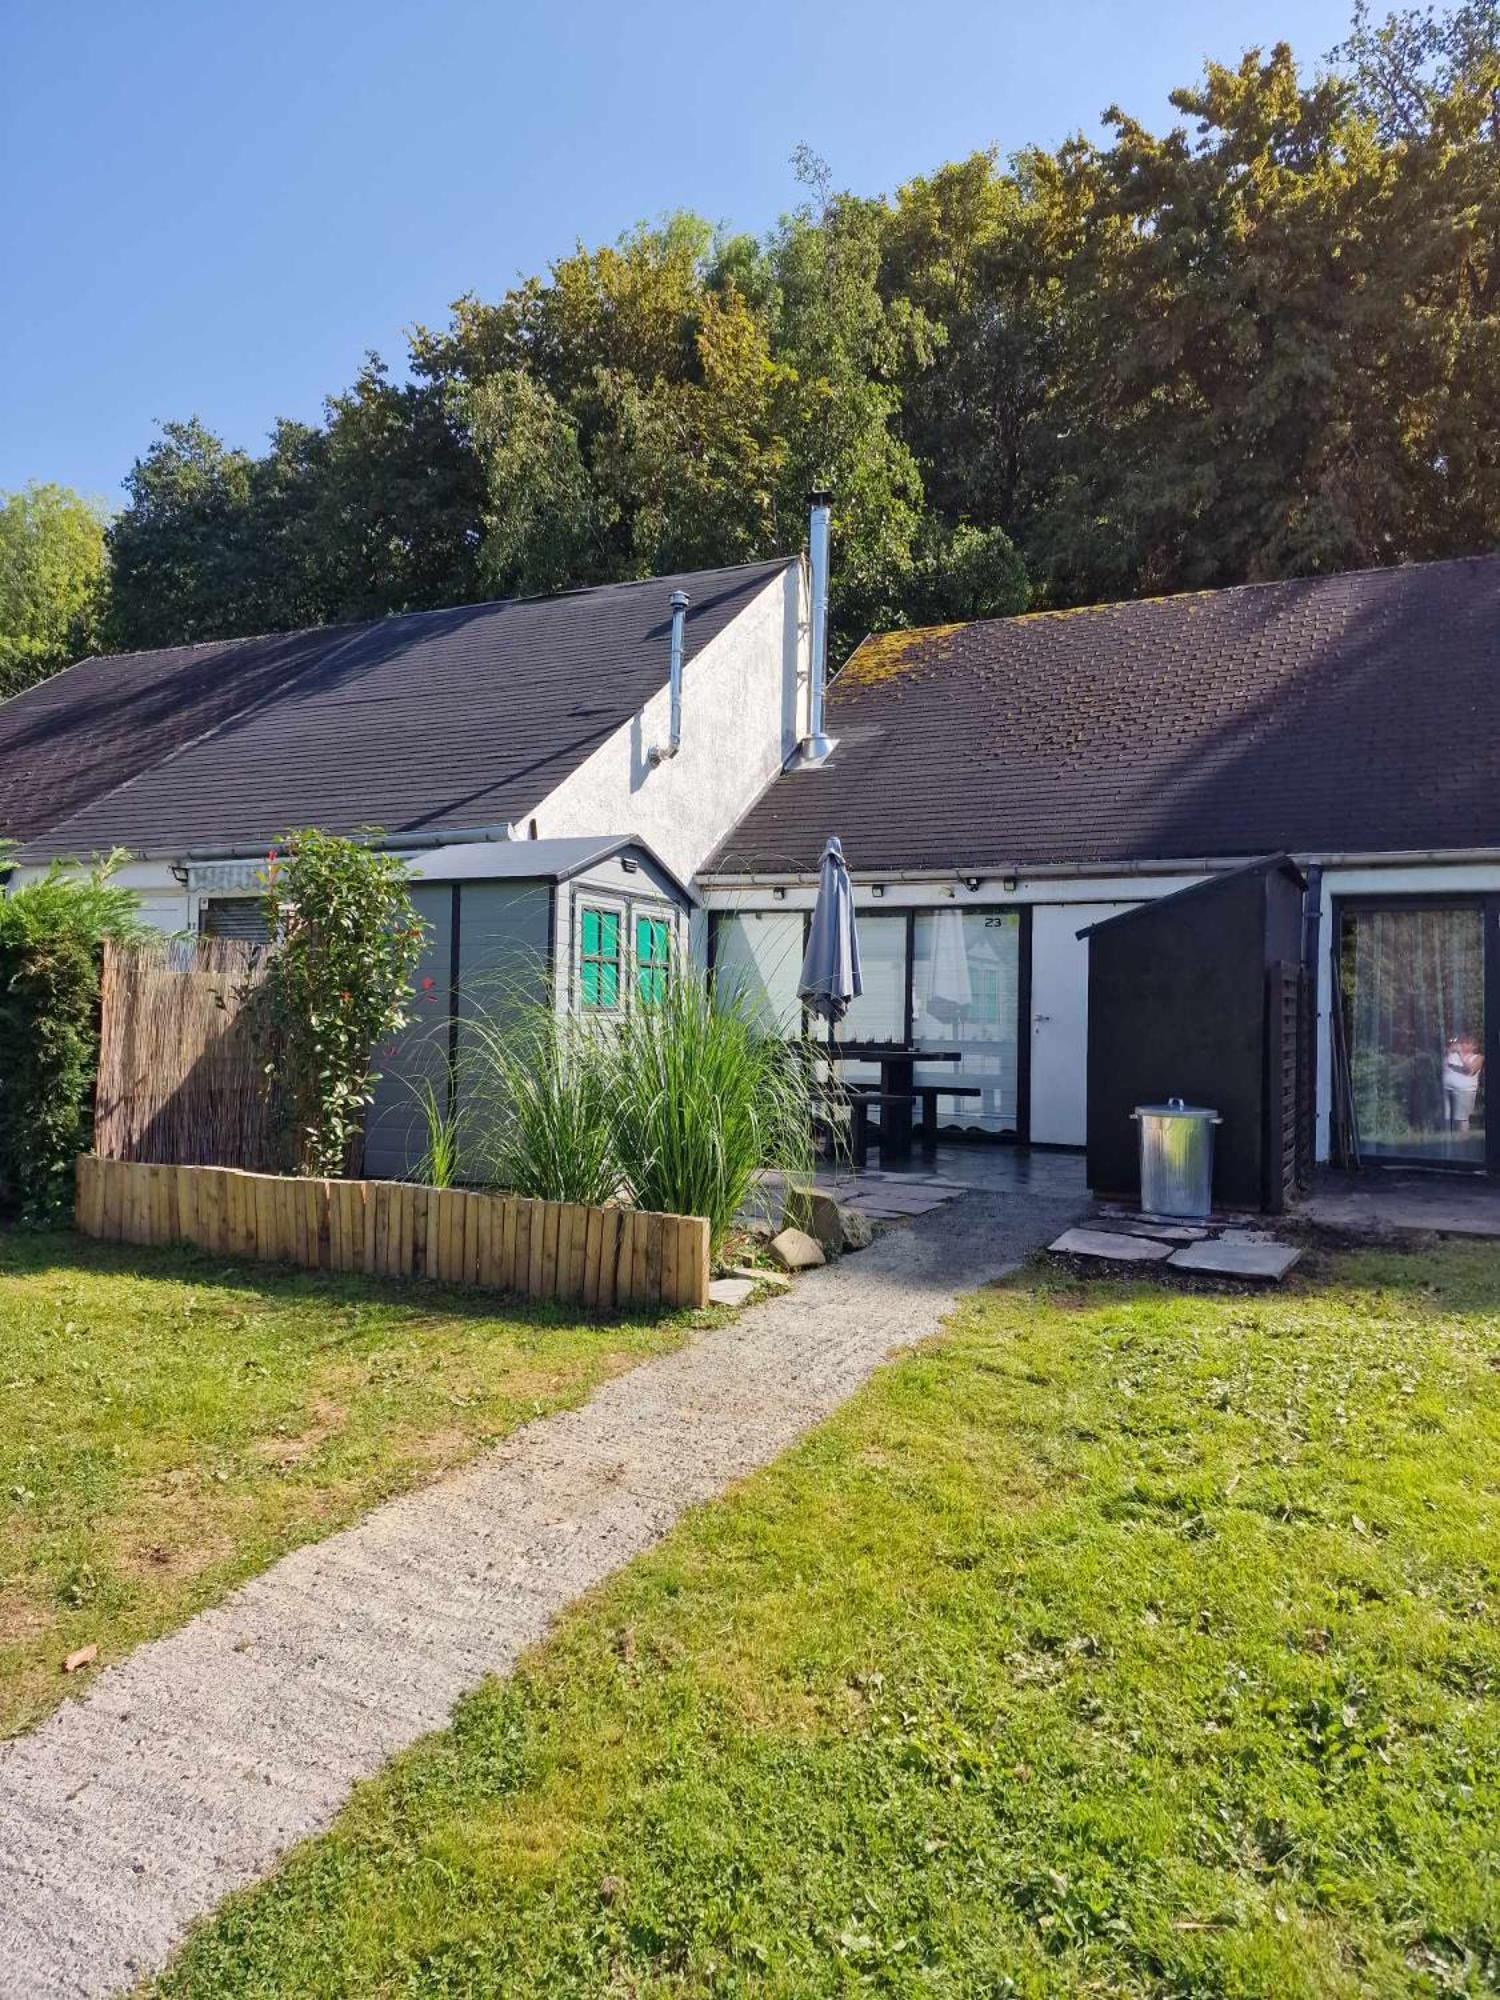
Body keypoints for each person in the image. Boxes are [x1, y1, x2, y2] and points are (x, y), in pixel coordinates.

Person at [1443, 1030, 1484, 1134]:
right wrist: (1449, 1051)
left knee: (1462, 1119)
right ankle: (1450, 1142)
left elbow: (1470, 1071)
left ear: (1473, 1046)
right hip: (1448, 1090)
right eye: (1462, 1042)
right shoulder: (1453, 1055)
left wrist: (1460, 1053)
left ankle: (1463, 1141)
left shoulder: (1478, 1058)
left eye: (1466, 1043)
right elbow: (1443, 1066)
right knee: (1448, 1118)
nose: (1462, 1044)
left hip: (1465, 1091)